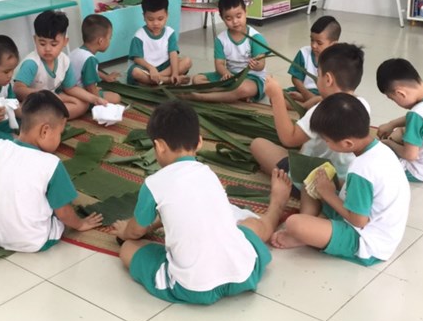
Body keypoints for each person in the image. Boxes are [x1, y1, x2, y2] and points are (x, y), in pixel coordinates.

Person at [113, 100, 291, 304]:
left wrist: (124, 232)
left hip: (194, 288)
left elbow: (136, 232)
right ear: (199, 142)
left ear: (159, 146)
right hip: (245, 273)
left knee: (128, 248)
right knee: (250, 226)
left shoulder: (154, 184)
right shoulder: (208, 173)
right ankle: (277, 205)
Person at [270, 93, 410, 266]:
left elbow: (359, 220)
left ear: (347, 143)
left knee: (294, 223)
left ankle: (307, 233)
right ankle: (312, 228)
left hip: (366, 241)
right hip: (366, 219)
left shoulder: (363, 169)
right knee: (311, 181)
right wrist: (332, 186)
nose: (326, 144)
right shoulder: (378, 150)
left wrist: (328, 194)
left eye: (327, 141)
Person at [0, 90, 103, 252]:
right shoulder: (51, 164)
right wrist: (80, 224)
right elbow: (63, 212)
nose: (59, 139)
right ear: (45, 131)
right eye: (59, 134)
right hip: (31, 241)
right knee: (59, 208)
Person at [250, 43, 369, 183]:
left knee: (257, 145)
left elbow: (288, 138)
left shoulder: (322, 110)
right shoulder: (362, 105)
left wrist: (276, 96)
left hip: (311, 178)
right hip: (344, 176)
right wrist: (311, 100)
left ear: (328, 79)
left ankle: (288, 181)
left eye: (318, 75)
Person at [14, 10, 107, 119]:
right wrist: (42, 94)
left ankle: (47, 118)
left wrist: (95, 99)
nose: (47, 49)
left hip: (52, 99)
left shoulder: (64, 60)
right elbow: (18, 89)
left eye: (54, 44)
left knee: (82, 104)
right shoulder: (32, 63)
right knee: (19, 109)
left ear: (65, 42)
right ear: (35, 40)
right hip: (32, 102)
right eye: (42, 43)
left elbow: (70, 88)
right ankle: (46, 117)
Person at [190, 0, 268, 103]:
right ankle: (230, 93)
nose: (235, 22)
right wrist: (226, 74)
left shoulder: (255, 38)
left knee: (244, 88)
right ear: (222, 18)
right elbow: (219, 65)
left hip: (251, 78)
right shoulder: (220, 39)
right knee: (197, 80)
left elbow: (261, 65)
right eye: (229, 18)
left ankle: (203, 97)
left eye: (239, 16)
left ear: (246, 12)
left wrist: (256, 65)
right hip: (230, 76)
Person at [127, 0, 192, 86]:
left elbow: (173, 54)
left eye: (160, 19)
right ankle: (167, 80)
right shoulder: (139, 35)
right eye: (150, 19)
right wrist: (151, 68)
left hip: (164, 67)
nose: (156, 23)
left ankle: (156, 79)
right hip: (146, 68)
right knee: (136, 72)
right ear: (144, 17)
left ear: (167, 15)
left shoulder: (170, 33)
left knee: (187, 61)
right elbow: (137, 58)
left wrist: (174, 73)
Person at [69, 14, 121, 104]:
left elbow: (90, 71)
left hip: (69, 90)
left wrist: (105, 77)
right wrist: (98, 101)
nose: (110, 41)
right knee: (116, 98)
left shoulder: (76, 51)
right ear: (101, 41)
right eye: (110, 38)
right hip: (80, 94)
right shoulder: (90, 59)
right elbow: (90, 86)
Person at [289, 15, 340, 106]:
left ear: (333, 45)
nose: (313, 45)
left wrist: (312, 98)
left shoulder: (339, 60)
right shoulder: (304, 53)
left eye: (319, 43)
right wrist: (306, 94)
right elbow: (296, 78)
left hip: (325, 96)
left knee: (334, 103)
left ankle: (308, 104)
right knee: (278, 96)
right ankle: (311, 104)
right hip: (304, 91)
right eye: (312, 40)